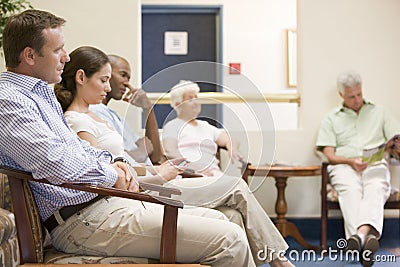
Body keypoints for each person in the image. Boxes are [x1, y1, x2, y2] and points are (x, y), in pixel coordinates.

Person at [0, 9, 262, 267]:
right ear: (30, 55)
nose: (66, 57)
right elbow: (54, 161)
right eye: (58, 50)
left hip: (103, 204)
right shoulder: (9, 100)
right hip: (82, 220)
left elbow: (78, 149)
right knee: (231, 239)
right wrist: (114, 176)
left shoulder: (40, 96)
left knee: (228, 220)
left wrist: (115, 164)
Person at [54, 46, 294, 267]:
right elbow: (106, 179)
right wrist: (158, 175)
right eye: (104, 80)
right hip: (127, 197)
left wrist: (155, 170)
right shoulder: (77, 121)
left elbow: (124, 164)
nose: (108, 88)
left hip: (139, 186)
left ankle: (274, 259)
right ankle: (278, 260)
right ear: (81, 78)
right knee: (234, 191)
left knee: (231, 213)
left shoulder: (100, 117)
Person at [316, 70, 400, 267]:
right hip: (344, 165)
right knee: (350, 191)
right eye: (351, 96)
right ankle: (366, 241)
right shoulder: (331, 118)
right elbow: (329, 154)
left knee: (376, 187)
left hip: (375, 163)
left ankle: (359, 238)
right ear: (341, 95)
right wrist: (350, 162)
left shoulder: (380, 112)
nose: (357, 100)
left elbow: (395, 141)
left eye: (359, 94)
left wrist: (395, 146)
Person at [89, 55, 161, 164]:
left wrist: (148, 108)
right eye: (123, 75)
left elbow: (155, 156)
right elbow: (114, 160)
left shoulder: (114, 115)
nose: (127, 83)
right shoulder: (94, 111)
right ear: (106, 74)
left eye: (128, 78)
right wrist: (140, 152)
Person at [162, 80, 243, 177]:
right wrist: (194, 168)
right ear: (178, 104)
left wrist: (232, 147)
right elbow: (170, 152)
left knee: (238, 185)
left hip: (212, 173)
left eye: (196, 97)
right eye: (190, 99)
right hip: (189, 174)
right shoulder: (172, 126)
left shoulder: (206, 126)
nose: (195, 102)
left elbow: (230, 139)